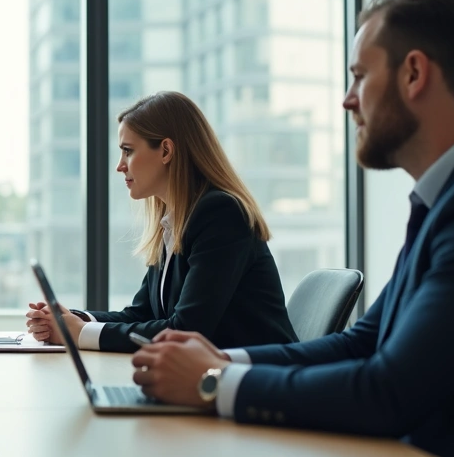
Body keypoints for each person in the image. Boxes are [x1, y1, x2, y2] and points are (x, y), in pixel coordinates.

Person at [132, 0, 454, 457]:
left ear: (415, 73)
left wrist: (212, 382)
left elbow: (388, 392)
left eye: (359, 76)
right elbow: (364, 342)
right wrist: (220, 358)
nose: (347, 100)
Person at [26, 91, 297, 353]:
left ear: (166, 150)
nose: (120, 165)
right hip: (212, 380)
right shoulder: (175, 221)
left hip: (258, 384)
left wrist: (80, 333)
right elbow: (142, 313)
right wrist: (71, 320)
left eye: (128, 151)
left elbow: (185, 330)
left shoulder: (221, 213)